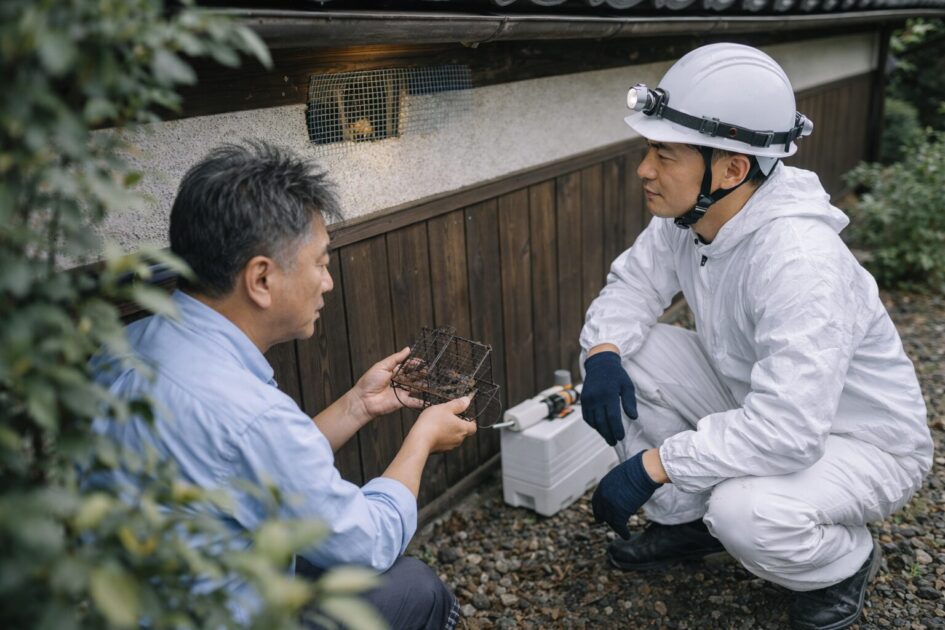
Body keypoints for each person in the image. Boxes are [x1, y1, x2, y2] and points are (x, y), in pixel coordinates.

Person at [579, 43, 932, 630]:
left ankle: (844, 562)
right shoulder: (691, 217)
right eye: (649, 149)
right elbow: (633, 287)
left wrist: (656, 465)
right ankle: (688, 525)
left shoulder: (799, 261)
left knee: (746, 512)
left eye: (664, 153)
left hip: (860, 441)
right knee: (627, 353)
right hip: (760, 400)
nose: (645, 168)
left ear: (732, 168)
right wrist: (603, 352)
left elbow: (790, 429)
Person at [91, 140, 476, 630]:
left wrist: (358, 404)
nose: (328, 282)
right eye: (320, 262)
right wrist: (421, 438)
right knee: (417, 588)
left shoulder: (125, 344)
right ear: (261, 280)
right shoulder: (248, 410)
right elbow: (368, 543)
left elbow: (244, 466)